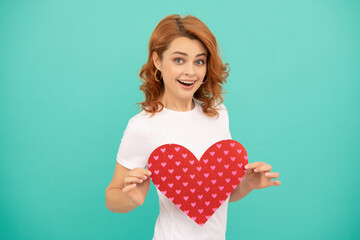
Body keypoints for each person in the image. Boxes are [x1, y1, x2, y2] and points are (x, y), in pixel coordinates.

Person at [105, 14, 281, 240]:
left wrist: (246, 184)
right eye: (179, 60)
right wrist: (131, 199)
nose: (191, 71)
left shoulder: (218, 114)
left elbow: (212, 196)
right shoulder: (143, 126)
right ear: (157, 61)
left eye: (199, 61)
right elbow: (112, 197)